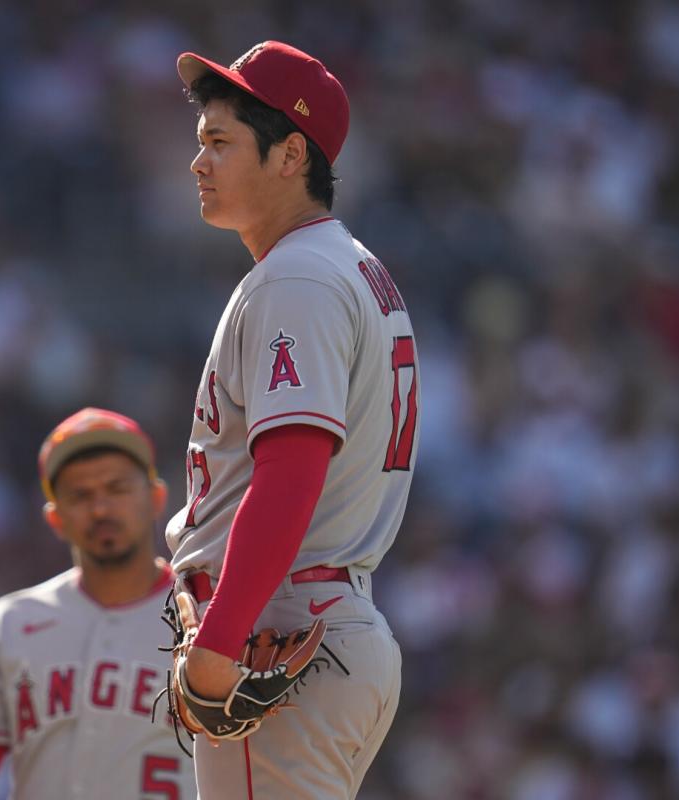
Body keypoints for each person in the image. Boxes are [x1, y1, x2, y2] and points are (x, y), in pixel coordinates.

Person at [165, 41, 419, 798]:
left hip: (279, 629)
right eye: (199, 140)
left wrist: (217, 642)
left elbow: (292, 470)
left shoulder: (299, 276)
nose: (198, 162)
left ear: (290, 155)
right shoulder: (342, 265)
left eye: (221, 141)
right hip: (323, 622)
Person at [0, 408, 197, 800]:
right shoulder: (11, 624)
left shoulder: (205, 615)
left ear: (156, 498)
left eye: (117, 488)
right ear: (55, 519)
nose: (101, 508)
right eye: (80, 495)